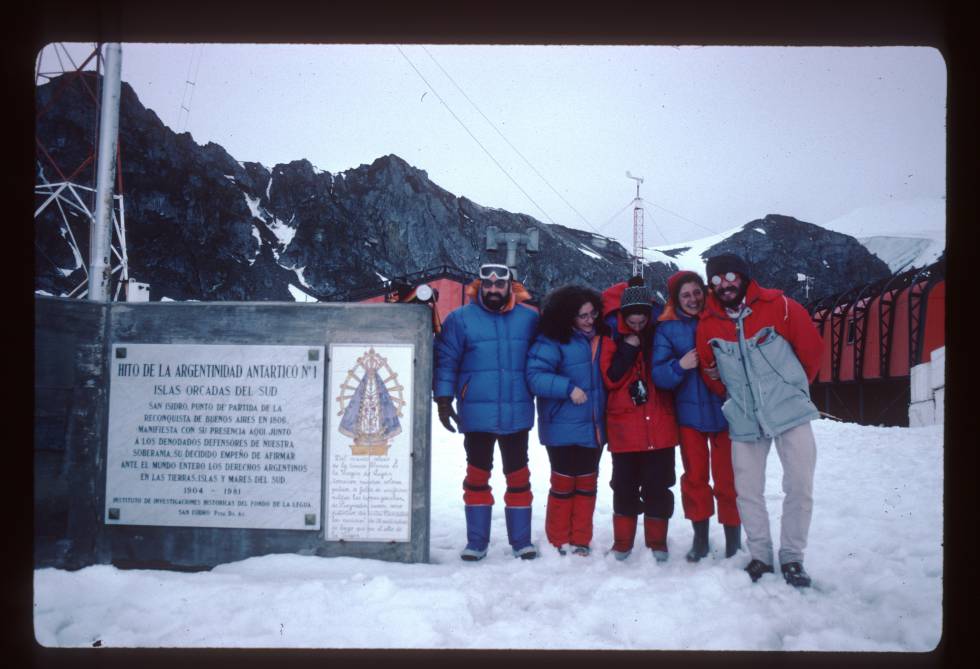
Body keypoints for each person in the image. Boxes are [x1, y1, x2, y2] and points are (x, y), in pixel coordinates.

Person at [695, 253, 823, 588]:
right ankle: (761, 556)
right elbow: (711, 372)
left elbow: (811, 352)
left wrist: (792, 389)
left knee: (799, 485)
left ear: (744, 276)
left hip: (790, 412)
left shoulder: (780, 307)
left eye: (730, 276)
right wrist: (736, 398)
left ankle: (792, 557)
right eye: (717, 280)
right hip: (744, 418)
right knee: (747, 490)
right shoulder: (707, 325)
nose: (725, 285)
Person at [433, 263, 540, 561]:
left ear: (509, 286)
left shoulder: (529, 319)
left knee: (519, 477)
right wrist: (443, 397)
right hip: (476, 413)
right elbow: (446, 359)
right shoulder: (460, 319)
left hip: (517, 412)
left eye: (500, 285)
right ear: (480, 285)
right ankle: (477, 543)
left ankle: (521, 542)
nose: (493, 290)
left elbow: (543, 359)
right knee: (476, 477)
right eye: (488, 284)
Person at [652, 271, 741, 562]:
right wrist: (680, 365)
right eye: (685, 295)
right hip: (690, 417)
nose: (692, 299)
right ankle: (700, 539)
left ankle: (733, 542)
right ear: (676, 299)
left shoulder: (722, 318)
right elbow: (659, 375)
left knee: (728, 479)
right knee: (696, 479)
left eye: (696, 292)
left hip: (726, 413)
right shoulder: (667, 329)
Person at [600, 276, 680, 561]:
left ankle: (657, 542)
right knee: (624, 487)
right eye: (631, 322)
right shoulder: (610, 337)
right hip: (624, 430)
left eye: (641, 321)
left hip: (660, 427)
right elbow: (610, 379)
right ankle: (623, 542)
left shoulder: (662, 334)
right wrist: (628, 347)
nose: (636, 326)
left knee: (659, 486)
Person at [526, 285, 608, 556]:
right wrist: (567, 388)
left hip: (593, 425)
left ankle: (581, 539)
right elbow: (535, 376)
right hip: (561, 424)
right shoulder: (551, 340)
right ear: (566, 316)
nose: (589, 320)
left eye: (592, 314)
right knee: (563, 483)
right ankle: (558, 539)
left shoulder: (600, 336)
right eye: (582, 315)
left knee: (587, 484)